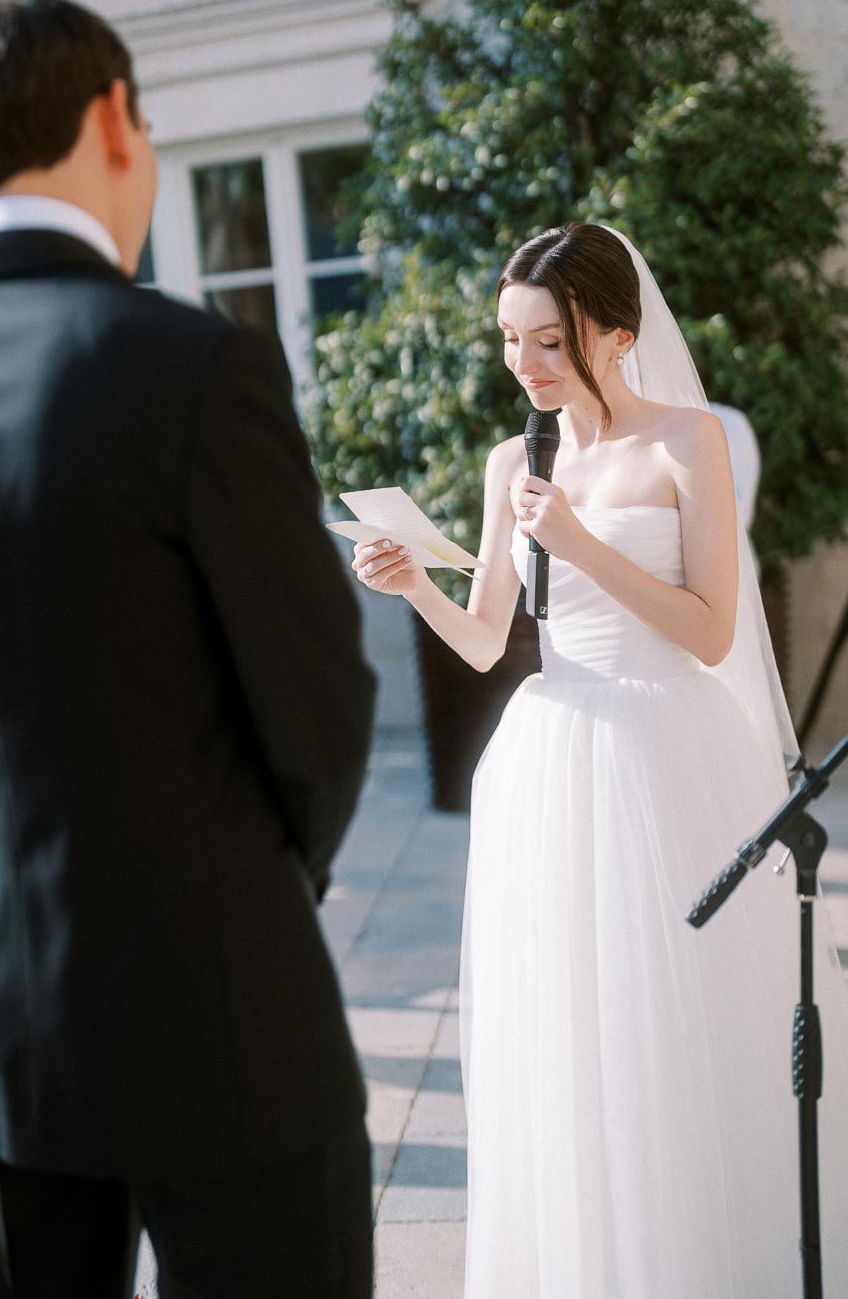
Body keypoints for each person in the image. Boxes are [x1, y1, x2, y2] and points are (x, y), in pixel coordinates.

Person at [0, 0, 376, 1299]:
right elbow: (321, 705)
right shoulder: (193, 364)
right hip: (221, 1016)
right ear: (115, 117)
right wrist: (266, 877)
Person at [352, 222, 848, 1298]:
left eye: (547, 344)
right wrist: (415, 587)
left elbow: (711, 629)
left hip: (670, 753)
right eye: (508, 341)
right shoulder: (511, 462)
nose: (522, 367)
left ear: (616, 336)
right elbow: (490, 639)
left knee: (677, 1015)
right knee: (574, 1029)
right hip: (551, 760)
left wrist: (577, 545)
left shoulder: (687, 443)